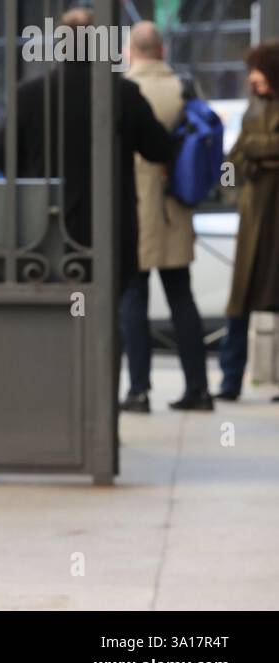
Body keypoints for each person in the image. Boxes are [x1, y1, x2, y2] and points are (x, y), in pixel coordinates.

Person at [0, 6, 177, 293]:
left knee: (55, 317)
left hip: (48, 225)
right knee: (105, 317)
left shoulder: (30, 94)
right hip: (111, 226)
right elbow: (159, 149)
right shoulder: (122, 93)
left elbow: (2, 157)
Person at [117, 22, 211, 412]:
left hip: (134, 210)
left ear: (130, 51)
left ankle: (138, 390)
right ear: (163, 51)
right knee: (182, 299)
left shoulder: (122, 92)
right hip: (176, 209)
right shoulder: (184, 88)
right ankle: (198, 389)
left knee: (133, 298)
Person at [217, 39, 279, 402]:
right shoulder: (252, 115)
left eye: (258, 69)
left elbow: (249, 152)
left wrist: (255, 153)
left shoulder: (254, 119)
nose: (253, 78)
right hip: (254, 219)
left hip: (269, 219)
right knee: (239, 302)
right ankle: (229, 381)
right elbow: (231, 164)